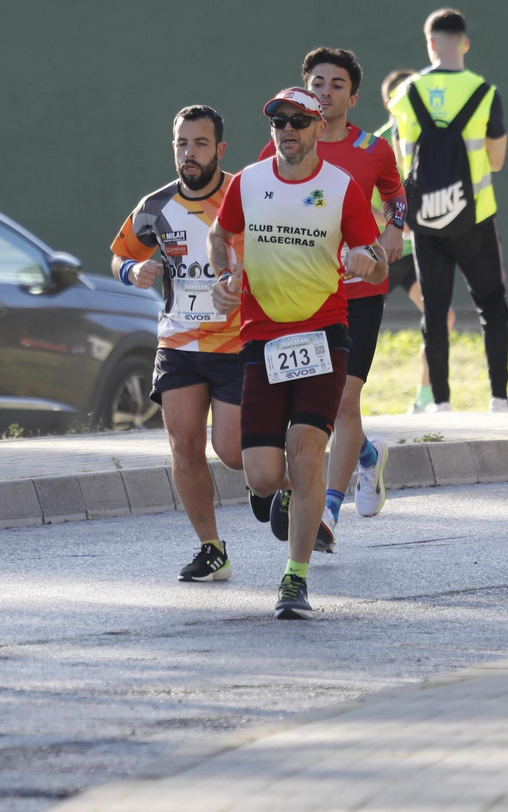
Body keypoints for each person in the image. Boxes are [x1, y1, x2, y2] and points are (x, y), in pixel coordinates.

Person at [206, 87, 386, 619]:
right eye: (279, 122)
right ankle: (288, 493)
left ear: (317, 127)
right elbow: (221, 234)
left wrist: (363, 261)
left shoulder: (341, 187)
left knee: (306, 457)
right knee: (261, 473)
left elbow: (376, 260)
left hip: (323, 336)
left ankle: (295, 579)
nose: (287, 130)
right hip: (263, 337)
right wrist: (223, 275)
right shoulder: (248, 181)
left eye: (299, 121)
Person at [259, 48, 406, 542]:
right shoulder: (281, 146)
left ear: (352, 96)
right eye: (317, 82)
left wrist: (394, 231)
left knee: (345, 400)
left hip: (361, 290)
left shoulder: (374, 150)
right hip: (301, 292)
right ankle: (368, 454)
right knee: (305, 401)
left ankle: (327, 513)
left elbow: (396, 196)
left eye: (336, 84)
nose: (325, 92)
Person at [110, 105, 244, 581]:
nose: (190, 153)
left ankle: (281, 486)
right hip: (179, 345)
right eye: (182, 144)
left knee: (233, 453)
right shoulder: (155, 206)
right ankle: (212, 549)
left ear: (219, 150)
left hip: (236, 343)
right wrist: (134, 270)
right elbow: (119, 256)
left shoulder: (243, 197)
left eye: (201, 144)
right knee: (184, 450)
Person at [386, 9, 508, 415]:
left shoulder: (405, 94)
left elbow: (399, 159)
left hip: (424, 221)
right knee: (491, 304)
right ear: (465, 42)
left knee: (435, 311)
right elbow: (496, 161)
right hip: (475, 216)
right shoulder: (485, 91)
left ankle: (439, 401)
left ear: (430, 43)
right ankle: (499, 397)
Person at [375, 69, 455, 414]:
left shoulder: (429, 140)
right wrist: (395, 223)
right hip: (378, 253)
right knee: (347, 325)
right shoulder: (376, 146)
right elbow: (360, 207)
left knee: (443, 317)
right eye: (400, 97)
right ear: (387, 102)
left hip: (412, 257)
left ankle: (426, 398)